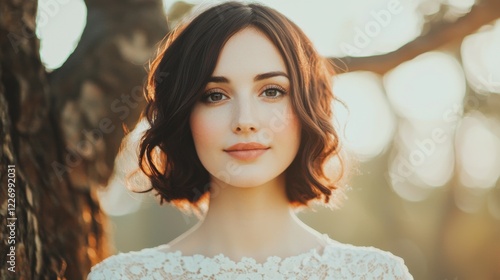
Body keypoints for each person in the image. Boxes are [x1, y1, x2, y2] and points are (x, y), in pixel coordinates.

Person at [88, 1, 413, 279]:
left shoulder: (375, 274)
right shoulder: (120, 277)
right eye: (215, 95)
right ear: (184, 114)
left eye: (272, 91)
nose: (245, 121)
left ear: (307, 108)